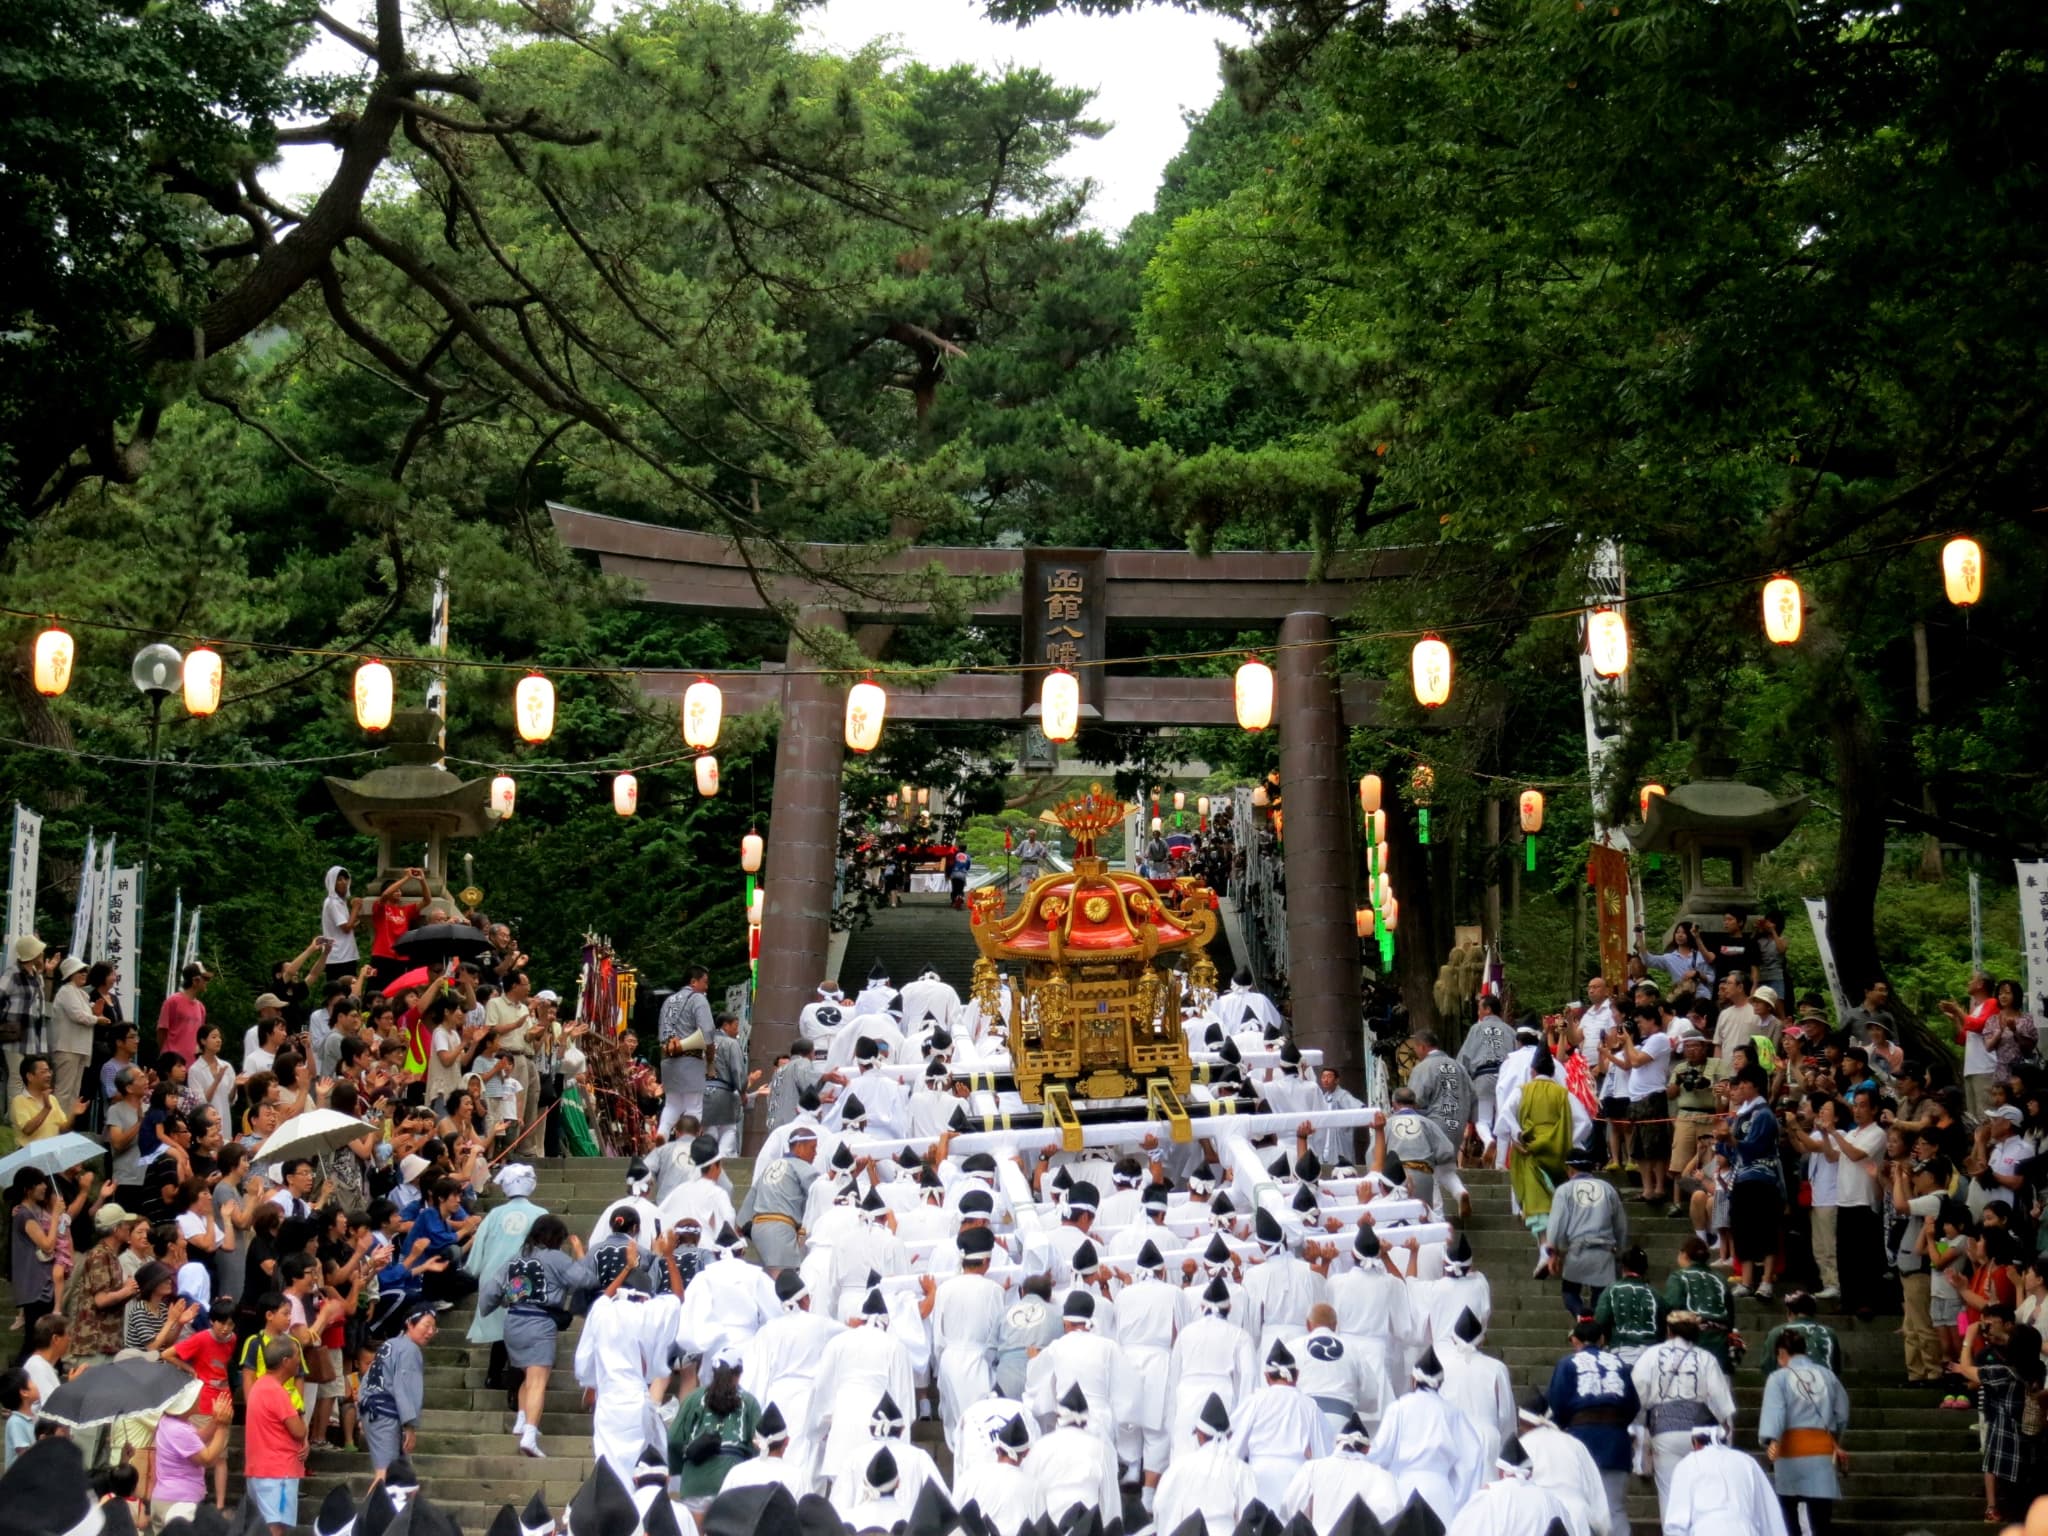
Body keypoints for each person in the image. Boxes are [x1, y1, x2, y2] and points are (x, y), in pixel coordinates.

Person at [478, 1213, 608, 1457]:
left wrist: (486, 1311)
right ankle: (529, 1434)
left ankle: (521, 1420)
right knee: (538, 1380)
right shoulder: (556, 1258)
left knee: (527, 1375)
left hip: (513, 1322)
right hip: (539, 1323)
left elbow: (491, 1292)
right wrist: (580, 1252)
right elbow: (586, 1279)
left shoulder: (515, 1260)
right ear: (556, 1238)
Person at [1629, 1312, 1734, 1513]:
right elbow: (1721, 1400)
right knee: (1701, 1492)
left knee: (1670, 1494)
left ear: (1668, 1330)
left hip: (1665, 1430)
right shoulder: (1706, 1358)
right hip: (1701, 1432)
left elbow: (1638, 1394)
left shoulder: (1651, 1354)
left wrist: (1639, 1426)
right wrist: (1725, 1429)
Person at [1545, 1319, 1639, 1536]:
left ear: (1575, 1340)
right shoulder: (1619, 1364)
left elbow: (1557, 1403)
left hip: (1581, 1437)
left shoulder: (1568, 1363)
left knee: (1584, 1505)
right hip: (1616, 1438)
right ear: (1603, 1339)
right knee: (1615, 1507)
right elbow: (1633, 1404)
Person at [1757, 1331, 1849, 1536]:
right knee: (1821, 1520)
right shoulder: (1827, 1375)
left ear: (1782, 1352)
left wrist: (1771, 1441)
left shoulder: (1778, 1378)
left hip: (1790, 1452)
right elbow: (1842, 1412)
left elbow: (1775, 1414)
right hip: (1822, 1451)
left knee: (1789, 1517)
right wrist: (1834, 1438)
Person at [668, 1342, 763, 1517]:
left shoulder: (694, 1398)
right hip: (733, 1484)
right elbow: (760, 1444)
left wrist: (678, 1471)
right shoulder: (749, 1402)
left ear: (713, 1372)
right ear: (739, 1374)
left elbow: (674, 1439)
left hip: (695, 1483)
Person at [1152, 1393, 1258, 1536]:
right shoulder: (1241, 1470)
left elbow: (1162, 1506)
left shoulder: (1179, 1467)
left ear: (1199, 1435)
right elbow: (1249, 1515)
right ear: (1229, 1436)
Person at [1719, 1068, 1780, 1301]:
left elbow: (1755, 1146)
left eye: (1744, 1084)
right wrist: (1723, 1140)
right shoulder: (1737, 1116)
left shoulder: (1763, 1114)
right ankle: (1746, 1280)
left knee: (1765, 1229)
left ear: (1755, 1086)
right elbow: (1727, 1151)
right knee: (1742, 1229)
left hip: (1763, 1177)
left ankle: (1765, 1280)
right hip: (1740, 1178)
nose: (1740, 1088)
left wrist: (1731, 1140)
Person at [1662, 1423, 1787, 1536]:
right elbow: (1769, 1517)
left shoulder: (1687, 1464)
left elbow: (1676, 1525)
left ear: (1695, 1442)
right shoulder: (1746, 1461)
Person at [359, 1301, 436, 1482]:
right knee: (384, 1474)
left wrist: (360, 1413)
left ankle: (390, 1510)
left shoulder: (390, 1344)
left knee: (396, 1474)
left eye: (434, 1328)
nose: (430, 1331)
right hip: (384, 1413)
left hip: (372, 1409)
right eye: (426, 1325)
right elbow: (406, 1389)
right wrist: (410, 1425)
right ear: (410, 1324)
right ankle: (369, 1511)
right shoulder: (409, 1350)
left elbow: (367, 1380)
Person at [1547, 1149, 1627, 1317]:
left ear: (1570, 1169)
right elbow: (1620, 1224)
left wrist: (1554, 1252)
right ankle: (1594, 1326)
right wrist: (1619, 1249)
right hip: (1604, 1251)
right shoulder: (1608, 1189)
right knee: (1601, 1297)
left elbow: (1556, 1224)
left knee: (1570, 1292)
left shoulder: (1564, 1190)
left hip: (1577, 1250)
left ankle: (1581, 1316)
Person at [244, 1335, 310, 1536]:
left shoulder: (259, 1386)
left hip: (261, 1470)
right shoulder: (276, 1392)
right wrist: (304, 1432)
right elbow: (298, 1430)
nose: (299, 1360)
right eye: (297, 1355)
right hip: (277, 1472)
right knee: (275, 1529)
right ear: (285, 1361)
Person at [151, 1376, 231, 1525]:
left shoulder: (171, 1422)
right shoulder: (179, 1429)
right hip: (178, 1502)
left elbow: (196, 1440)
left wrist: (215, 1420)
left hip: (170, 1499)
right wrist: (222, 1427)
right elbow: (207, 1459)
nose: (200, 1398)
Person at [658, 967, 715, 1137]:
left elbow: (662, 1034)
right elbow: (708, 1031)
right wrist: (710, 1058)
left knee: (672, 1106)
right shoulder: (698, 999)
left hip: (668, 1060)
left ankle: (661, 1135)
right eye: (705, 982)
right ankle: (689, 1146)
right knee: (694, 1106)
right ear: (693, 982)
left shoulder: (668, 1001)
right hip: (690, 1059)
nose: (707, 987)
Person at [1939, 971, 1999, 1118]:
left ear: (1980, 984)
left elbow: (1979, 1026)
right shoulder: (1977, 1008)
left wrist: (1958, 1010)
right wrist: (1956, 1019)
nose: (1968, 982)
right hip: (1972, 1068)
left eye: (1972, 979)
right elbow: (1965, 1038)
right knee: (1973, 1116)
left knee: (1985, 1115)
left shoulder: (1992, 1003)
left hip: (1985, 1067)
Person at [9, 1053, 80, 1147]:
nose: (49, 1075)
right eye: (43, 1072)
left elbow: (63, 1129)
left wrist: (74, 1114)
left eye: (49, 1071)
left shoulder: (52, 1099)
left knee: (77, 1159)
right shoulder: (19, 1100)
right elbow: (27, 1130)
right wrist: (46, 1108)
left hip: (52, 1152)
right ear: (30, 1076)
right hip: (30, 1155)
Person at [702, 1013, 747, 1160]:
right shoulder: (731, 1043)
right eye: (735, 1027)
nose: (737, 1031)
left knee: (710, 1131)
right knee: (729, 1129)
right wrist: (742, 1091)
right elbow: (737, 1071)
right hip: (722, 1092)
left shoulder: (702, 1043)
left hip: (701, 1091)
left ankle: (708, 1161)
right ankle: (720, 1160)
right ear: (726, 1026)